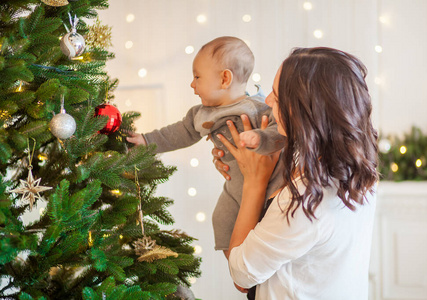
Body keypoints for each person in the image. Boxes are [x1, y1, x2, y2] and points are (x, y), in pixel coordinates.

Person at [214, 47, 379, 299]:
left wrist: (253, 184)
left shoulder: (305, 199)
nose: (267, 100)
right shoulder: (357, 168)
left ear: (305, 110)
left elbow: (241, 275)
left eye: (277, 97)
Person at [126, 36, 285, 253]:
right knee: (220, 218)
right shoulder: (201, 114)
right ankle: (236, 262)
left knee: (270, 223)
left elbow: (279, 132)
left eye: (197, 77)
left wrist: (261, 138)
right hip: (234, 186)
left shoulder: (256, 108)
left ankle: (256, 264)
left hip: (270, 185)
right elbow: (180, 132)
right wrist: (147, 140)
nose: (192, 84)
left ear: (224, 79)